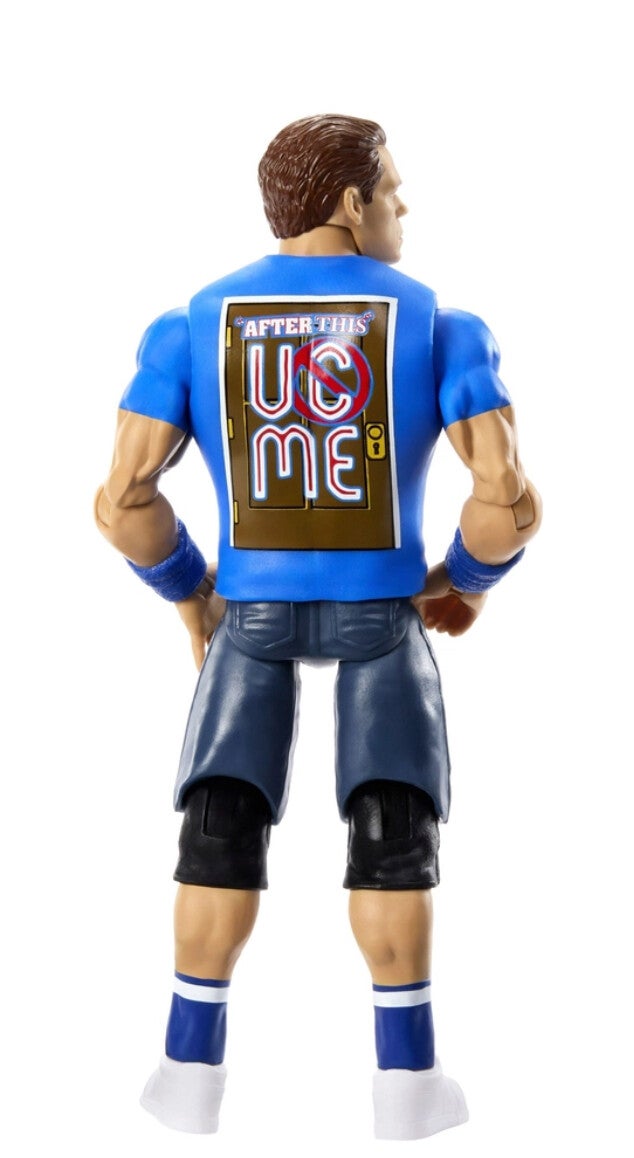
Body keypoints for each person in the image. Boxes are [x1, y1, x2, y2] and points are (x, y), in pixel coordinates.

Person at [95, 114, 541, 1140]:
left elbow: (121, 500)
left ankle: (186, 1073)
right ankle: (407, 1087)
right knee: (394, 831)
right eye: (392, 189)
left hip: (247, 614)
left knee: (218, 828)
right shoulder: (438, 326)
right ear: (349, 201)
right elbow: (506, 497)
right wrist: (465, 581)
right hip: (383, 615)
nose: (403, 205)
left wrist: (192, 593)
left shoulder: (193, 325)